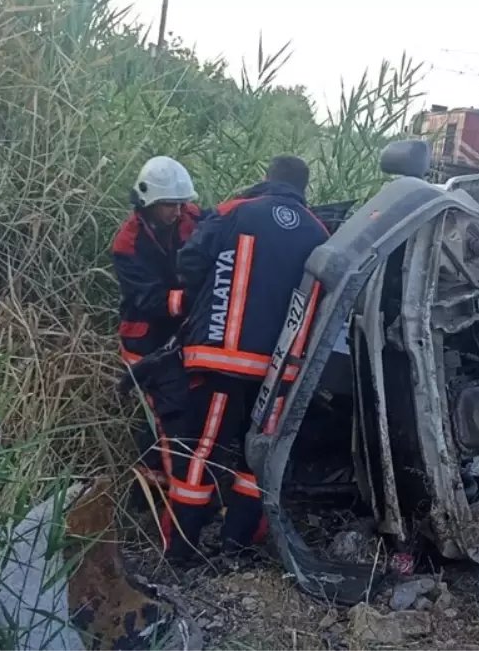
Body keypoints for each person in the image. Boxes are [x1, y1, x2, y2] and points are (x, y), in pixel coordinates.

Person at [165, 155, 329, 561]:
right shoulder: (319, 231)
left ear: (267, 177)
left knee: (201, 451)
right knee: (255, 459)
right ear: (303, 188)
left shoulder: (235, 211)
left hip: (221, 360)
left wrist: (193, 306)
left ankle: (181, 553)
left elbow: (189, 263)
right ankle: (234, 547)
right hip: (278, 374)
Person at [110, 156, 203, 504]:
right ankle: (157, 496)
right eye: (169, 206)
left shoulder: (192, 218)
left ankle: (152, 489)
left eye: (181, 203)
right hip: (144, 338)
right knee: (167, 411)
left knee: (176, 408)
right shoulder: (128, 243)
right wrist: (193, 299)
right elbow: (147, 299)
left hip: (182, 334)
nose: (177, 212)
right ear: (148, 204)